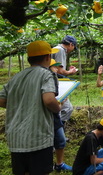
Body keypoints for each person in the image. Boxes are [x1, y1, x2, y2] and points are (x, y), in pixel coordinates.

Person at [0, 40, 61, 175]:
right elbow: (49, 100)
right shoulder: (46, 74)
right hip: (37, 137)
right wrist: (57, 108)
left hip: (16, 139)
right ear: (47, 57)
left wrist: (19, 106)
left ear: (28, 59)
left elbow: (1, 100)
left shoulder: (16, 77)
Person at [49, 59, 72, 172]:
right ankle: (49, 164)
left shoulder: (55, 79)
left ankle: (59, 164)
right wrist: (60, 103)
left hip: (55, 117)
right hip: (49, 115)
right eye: (54, 67)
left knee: (61, 140)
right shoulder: (46, 80)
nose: (57, 69)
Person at [52, 35, 78, 125]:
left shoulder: (56, 48)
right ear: (71, 44)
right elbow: (60, 71)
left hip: (53, 82)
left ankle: (58, 130)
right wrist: (70, 72)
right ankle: (56, 129)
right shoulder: (60, 50)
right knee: (64, 108)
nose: (73, 49)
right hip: (55, 83)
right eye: (74, 47)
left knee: (67, 108)